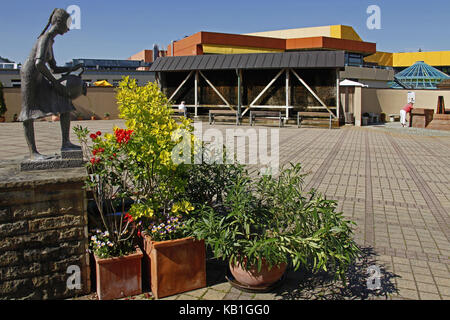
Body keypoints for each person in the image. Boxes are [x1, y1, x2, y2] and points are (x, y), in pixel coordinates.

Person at [19, 8, 83, 160]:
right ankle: (33, 153)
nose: (68, 29)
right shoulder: (45, 38)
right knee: (27, 113)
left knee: (64, 103)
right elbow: (39, 63)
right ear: (59, 23)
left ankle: (66, 143)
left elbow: (53, 67)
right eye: (67, 24)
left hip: (40, 75)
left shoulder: (51, 41)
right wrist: (55, 83)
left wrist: (71, 68)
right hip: (30, 75)